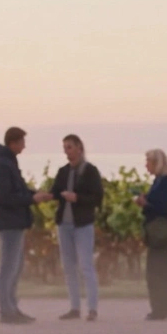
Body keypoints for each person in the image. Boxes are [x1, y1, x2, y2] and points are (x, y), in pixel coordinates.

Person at [0, 126, 50, 324]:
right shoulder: (1, 165)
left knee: (15, 266)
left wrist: (34, 195)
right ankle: (7, 311)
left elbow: (17, 190)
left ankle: (12, 307)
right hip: (8, 223)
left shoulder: (8, 163)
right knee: (8, 267)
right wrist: (31, 200)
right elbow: (4, 196)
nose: (24, 146)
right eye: (22, 142)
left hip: (14, 222)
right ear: (13, 143)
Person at [49, 134, 104, 321]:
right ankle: (74, 308)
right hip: (64, 225)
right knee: (68, 267)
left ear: (80, 148)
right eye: (65, 148)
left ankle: (92, 309)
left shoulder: (90, 171)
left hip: (83, 225)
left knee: (86, 266)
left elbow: (97, 198)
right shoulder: (63, 171)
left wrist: (78, 198)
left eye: (70, 147)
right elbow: (55, 192)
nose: (67, 152)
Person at [134, 149, 167, 320]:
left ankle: (161, 309)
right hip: (159, 233)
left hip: (162, 233)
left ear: (156, 163)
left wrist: (145, 204)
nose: (146, 165)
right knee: (161, 271)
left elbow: (166, 208)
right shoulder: (160, 181)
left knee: (156, 272)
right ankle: (166, 308)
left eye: (148, 162)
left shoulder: (166, 182)